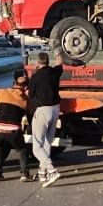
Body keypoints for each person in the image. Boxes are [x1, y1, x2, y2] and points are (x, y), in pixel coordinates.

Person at [0, 70, 31, 182]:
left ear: (13, 82)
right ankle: (25, 174)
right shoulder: (25, 100)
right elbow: (30, 117)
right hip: (13, 130)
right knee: (22, 149)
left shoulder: (3, 93)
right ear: (25, 86)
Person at [28, 50, 64, 187]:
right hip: (55, 109)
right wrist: (57, 52)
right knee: (47, 143)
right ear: (48, 62)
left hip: (43, 110)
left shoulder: (35, 77)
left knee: (37, 146)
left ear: (38, 63)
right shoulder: (54, 72)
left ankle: (51, 170)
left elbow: (30, 95)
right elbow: (60, 63)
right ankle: (43, 174)